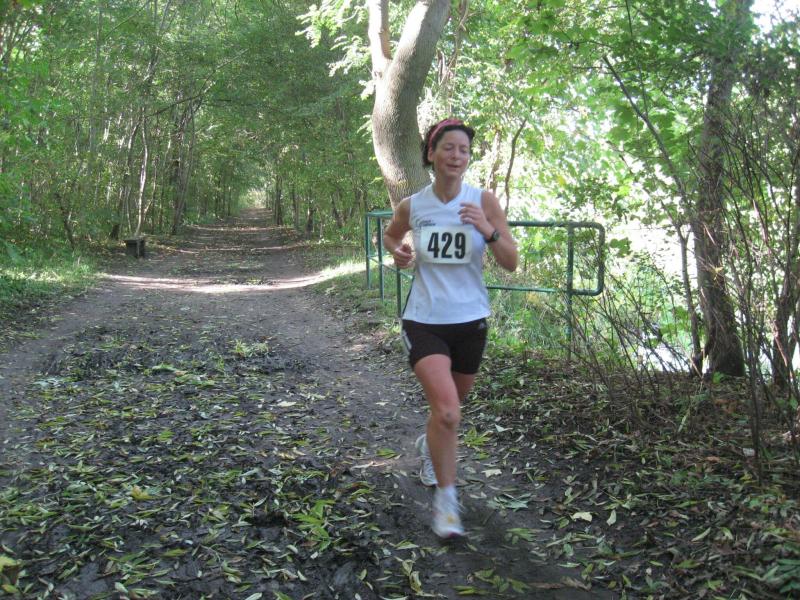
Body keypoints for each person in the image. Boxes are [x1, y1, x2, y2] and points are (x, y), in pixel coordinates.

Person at [382, 118, 518, 538]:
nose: (457, 156)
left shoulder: (483, 200)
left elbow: (511, 261)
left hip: (470, 322)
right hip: (424, 320)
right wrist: (398, 253)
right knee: (447, 412)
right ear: (431, 153)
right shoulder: (414, 206)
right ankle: (447, 501)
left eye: (464, 150)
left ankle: (430, 446)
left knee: (449, 411)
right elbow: (390, 237)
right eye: (448, 148)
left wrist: (487, 230)